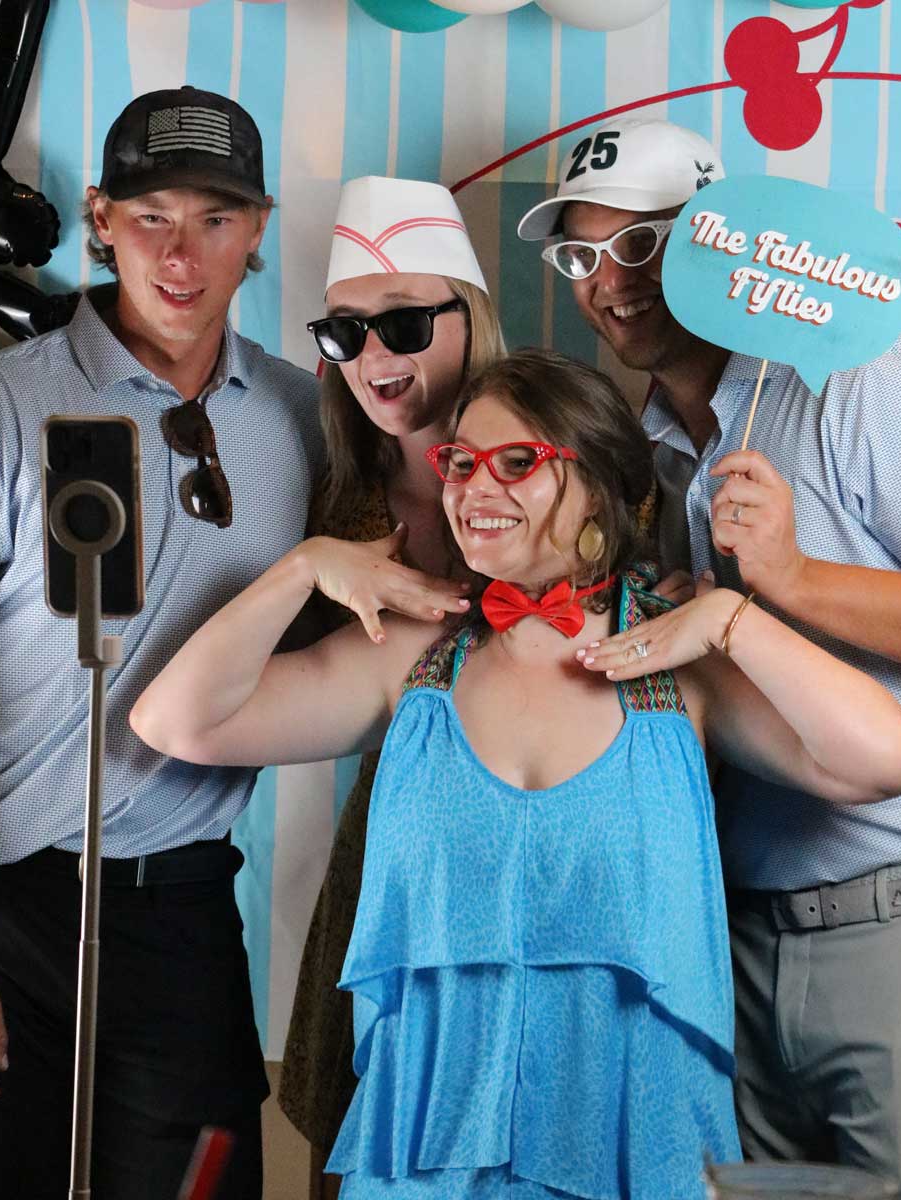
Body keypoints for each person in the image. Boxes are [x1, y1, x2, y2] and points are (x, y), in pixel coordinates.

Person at [131, 347, 901, 1200]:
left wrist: (732, 619)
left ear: (600, 482)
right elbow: (174, 720)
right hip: (429, 1157)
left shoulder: (678, 659)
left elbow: (890, 759)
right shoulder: (413, 652)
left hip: (635, 1150)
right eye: (461, 462)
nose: (477, 487)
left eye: (518, 463)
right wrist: (303, 567)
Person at [0, 87, 463, 1200]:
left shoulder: (305, 421)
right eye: (152, 215)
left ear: (257, 231)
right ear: (101, 218)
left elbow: (404, 569)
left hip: (185, 912)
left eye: (215, 218)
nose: (181, 252)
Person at [519, 116, 901, 1200]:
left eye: (643, 244)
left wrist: (795, 580)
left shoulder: (869, 379)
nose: (609, 283)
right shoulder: (655, 446)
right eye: (582, 256)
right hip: (750, 938)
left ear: (718, 240)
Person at [276, 175, 506, 1170]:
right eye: (345, 333)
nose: (375, 356)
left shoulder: (565, 457)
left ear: (471, 320)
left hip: (546, 862)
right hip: (396, 865)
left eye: (406, 324)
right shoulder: (332, 503)